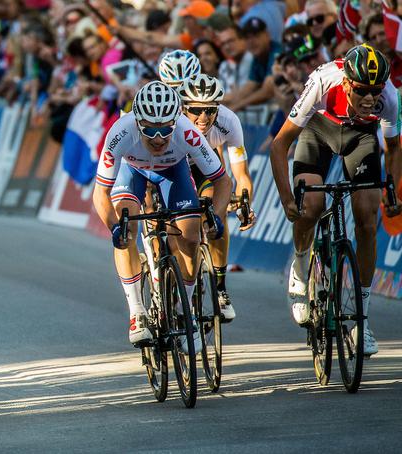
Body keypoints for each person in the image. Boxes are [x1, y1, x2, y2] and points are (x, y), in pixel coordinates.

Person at [270, 44, 402, 356]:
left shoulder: (389, 97)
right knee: (310, 207)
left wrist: (393, 191)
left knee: (367, 221)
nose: (369, 98)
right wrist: (287, 198)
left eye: (375, 91)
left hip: (361, 137)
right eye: (361, 91)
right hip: (318, 130)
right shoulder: (322, 82)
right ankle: (301, 269)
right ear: (346, 83)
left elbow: (394, 148)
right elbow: (279, 145)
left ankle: (362, 320)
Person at [92, 81, 232, 351]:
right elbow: (101, 194)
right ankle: (137, 312)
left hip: (172, 172)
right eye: (150, 130)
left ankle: (184, 309)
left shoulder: (187, 132)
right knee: (126, 226)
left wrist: (216, 215)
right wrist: (114, 229)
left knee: (191, 235)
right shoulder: (120, 132)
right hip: (132, 172)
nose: (158, 138)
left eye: (165, 130)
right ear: (137, 122)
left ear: (175, 122)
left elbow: (223, 182)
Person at [178, 74, 256, 321]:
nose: (204, 118)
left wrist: (245, 202)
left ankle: (220, 288)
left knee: (216, 213)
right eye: (197, 110)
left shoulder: (229, 122)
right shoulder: (173, 121)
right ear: (183, 108)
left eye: (210, 110)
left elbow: (240, 173)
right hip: (175, 165)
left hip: (205, 165)